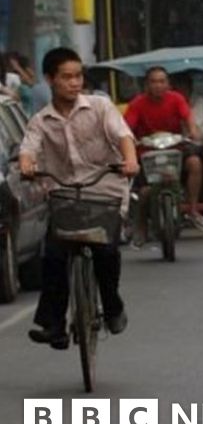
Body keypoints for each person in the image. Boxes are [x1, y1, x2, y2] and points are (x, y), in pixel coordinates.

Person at [20, 47, 139, 348]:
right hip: (65, 198)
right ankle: (54, 326)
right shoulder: (40, 121)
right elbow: (28, 149)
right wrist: (27, 166)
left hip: (104, 194)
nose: (74, 83)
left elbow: (123, 136)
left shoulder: (100, 107)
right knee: (54, 256)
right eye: (67, 77)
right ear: (50, 80)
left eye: (78, 76)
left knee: (106, 252)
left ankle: (112, 306)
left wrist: (130, 160)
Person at [123, 66, 203, 234]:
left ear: (168, 84)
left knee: (195, 163)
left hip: (175, 150)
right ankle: (140, 226)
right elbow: (126, 129)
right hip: (147, 153)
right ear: (146, 85)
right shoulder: (136, 104)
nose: (158, 85)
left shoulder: (176, 99)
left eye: (162, 81)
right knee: (144, 191)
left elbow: (189, 119)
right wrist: (129, 141)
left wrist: (193, 132)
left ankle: (193, 210)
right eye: (153, 82)